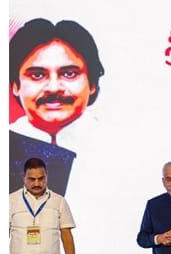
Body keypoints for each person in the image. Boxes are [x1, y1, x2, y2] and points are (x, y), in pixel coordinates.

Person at [9, 18, 105, 195]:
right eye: (37, 75)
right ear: (15, 85)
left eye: (69, 74)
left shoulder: (114, 146)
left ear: (92, 83)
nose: (53, 88)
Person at [9, 157, 76, 254]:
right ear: (23, 177)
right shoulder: (11, 200)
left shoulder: (59, 201)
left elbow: (66, 235)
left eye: (41, 179)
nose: (36, 183)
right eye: (32, 179)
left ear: (47, 176)